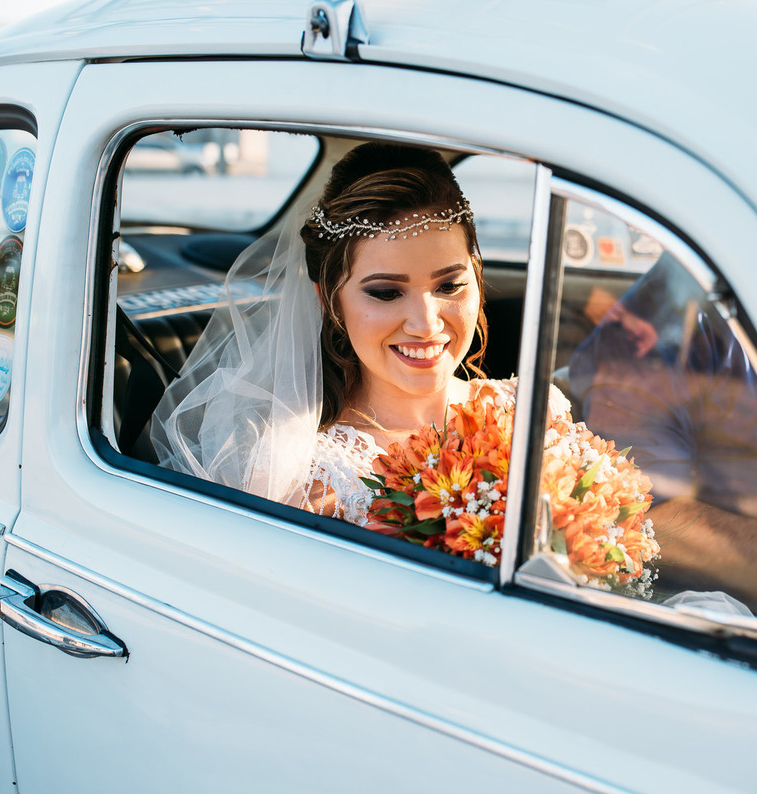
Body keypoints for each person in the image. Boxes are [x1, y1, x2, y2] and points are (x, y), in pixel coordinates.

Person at [150, 143, 566, 524]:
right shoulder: (301, 475)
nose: (426, 324)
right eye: (386, 293)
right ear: (330, 300)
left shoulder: (538, 411)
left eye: (449, 286)